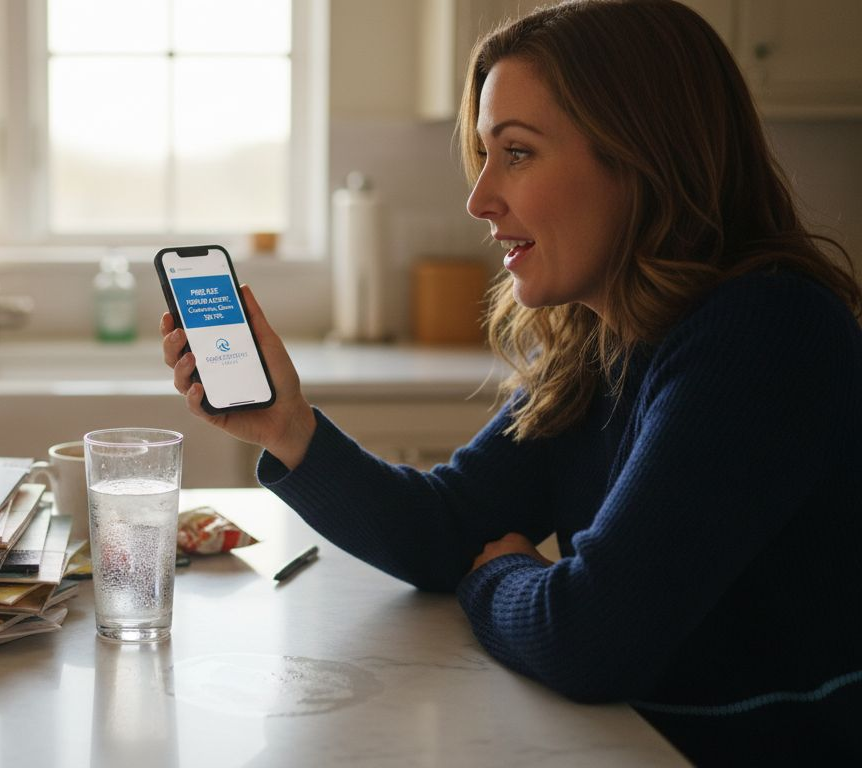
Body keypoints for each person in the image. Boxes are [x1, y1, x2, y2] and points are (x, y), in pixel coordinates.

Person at [159, 0, 861, 763]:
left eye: (517, 152)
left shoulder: (767, 331)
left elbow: (591, 638)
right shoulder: (607, 338)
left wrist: (501, 576)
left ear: (642, 157)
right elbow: (448, 527)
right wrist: (288, 427)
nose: (479, 198)